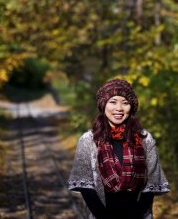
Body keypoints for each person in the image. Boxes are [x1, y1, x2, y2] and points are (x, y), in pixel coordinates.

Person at [68, 79, 170, 219]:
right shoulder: (88, 140)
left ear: (132, 107)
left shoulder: (145, 139)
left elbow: (151, 185)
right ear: (103, 105)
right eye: (113, 101)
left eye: (125, 103)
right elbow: (86, 186)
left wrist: (136, 215)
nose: (119, 108)